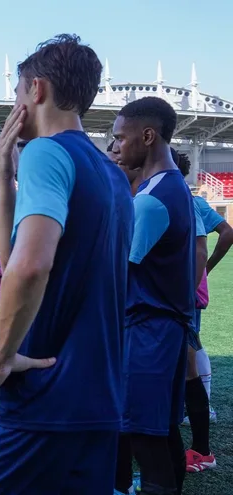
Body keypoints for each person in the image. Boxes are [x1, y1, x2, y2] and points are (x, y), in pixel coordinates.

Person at [0, 35, 133, 494]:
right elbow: (15, 259)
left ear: (37, 90)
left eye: (16, 92)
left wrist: (0, 357)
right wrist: (6, 180)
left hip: (41, 396)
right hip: (99, 397)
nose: (13, 104)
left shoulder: (49, 152)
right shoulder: (110, 171)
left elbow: (30, 267)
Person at [109, 96, 201, 495]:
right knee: (162, 434)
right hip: (165, 330)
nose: (115, 147)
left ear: (147, 136)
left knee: (147, 444)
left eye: (119, 138)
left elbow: (116, 274)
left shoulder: (149, 200)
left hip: (148, 333)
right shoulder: (171, 187)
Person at [169, 150, 219, 475]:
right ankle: (200, 448)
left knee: (185, 365)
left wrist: (186, 291)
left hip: (172, 301)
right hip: (179, 299)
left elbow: (202, 247)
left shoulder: (175, 195)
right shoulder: (181, 195)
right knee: (188, 360)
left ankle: (198, 449)